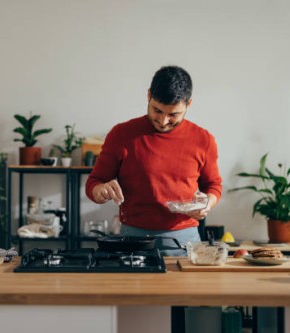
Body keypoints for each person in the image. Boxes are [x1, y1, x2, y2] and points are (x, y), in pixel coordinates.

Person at [85, 65, 222, 256]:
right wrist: (100, 191)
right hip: (133, 239)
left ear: (188, 104)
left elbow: (214, 185)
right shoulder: (121, 134)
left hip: (184, 241)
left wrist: (208, 203)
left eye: (173, 114)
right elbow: (94, 182)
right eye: (157, 110)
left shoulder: (203, 140)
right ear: (149, 95)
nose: (163, 120)